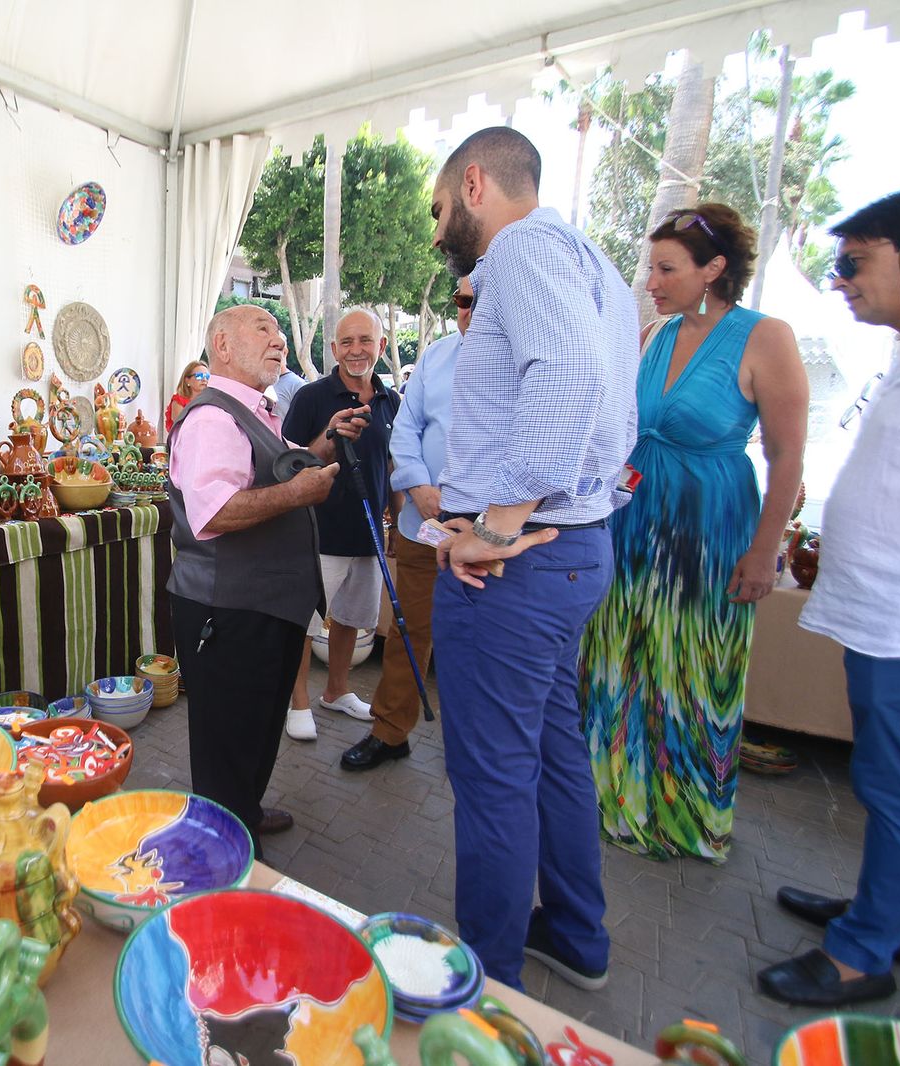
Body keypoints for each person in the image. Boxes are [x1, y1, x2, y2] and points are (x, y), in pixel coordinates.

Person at [759, 186, 900, 1008]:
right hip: (899, 619)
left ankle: (864, 954)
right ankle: (893, 914)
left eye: (853, 262)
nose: (842, 280)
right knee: (894, 782)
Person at [426, 127, 638, 991]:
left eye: (440, 209)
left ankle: (488, 986)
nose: (439, 232)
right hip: (577, 546)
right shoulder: (599, 266)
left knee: (494, 778)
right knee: (552, 753)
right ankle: (577, 938)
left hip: (519, 564)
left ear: (475, 184)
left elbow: (571, 377)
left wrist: (499, 525)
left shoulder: (521, 251)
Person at [579, 204, 809, 862]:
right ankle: (613, 798)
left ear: (713, 269)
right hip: (633, 518)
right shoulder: (654, 333)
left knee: (688, 668)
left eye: (666, 268)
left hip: (708, 530)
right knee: (616, 656)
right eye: (651, 266)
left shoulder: (766, 337)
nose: (651, 279)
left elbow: (787, 456)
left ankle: (684, 818)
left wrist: (765, 552)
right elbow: (625, 432)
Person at [166, 304, 342, 856]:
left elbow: (263, 470)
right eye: (263, 329)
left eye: (280, 332)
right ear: (222, 344)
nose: (279, 340)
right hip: (228, 611)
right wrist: (298, 493)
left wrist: (315, 453)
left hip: (260, 606)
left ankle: (242, 812)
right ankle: (224, 854)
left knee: (258, 730)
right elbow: (213, 513)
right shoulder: (213, 417)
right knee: (228, 741)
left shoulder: (254, 411)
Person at [340, 278, 473, 771]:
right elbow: (407, 429)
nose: (468, 310)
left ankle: (478, 746)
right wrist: (418, 488)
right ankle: (391, 731)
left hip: (495, 536)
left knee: (485, 639)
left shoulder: (530, 355)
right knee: (409, 629)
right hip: (429, 523)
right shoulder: (437, 356)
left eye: (479, 300)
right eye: (461, 300)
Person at [280, 310, 401, 741]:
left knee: (350, 618)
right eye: (346, 342)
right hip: (318, 531)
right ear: (333, 349)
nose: (356, 350)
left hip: (367, 533)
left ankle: (336, 692)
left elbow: (392, 464)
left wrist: (399, 524)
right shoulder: (312, 397)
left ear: (381, 347)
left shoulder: (391, 400)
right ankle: (297, 702)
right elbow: (292, 463)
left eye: (365, 341)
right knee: (304, 622)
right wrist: (329, 439)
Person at [165, 360, 210, 433]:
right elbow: (181, 427)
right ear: (187, 381)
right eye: (199, 376)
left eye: (207, 376)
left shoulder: (209, 401)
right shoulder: (178, 401)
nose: (204, 379)